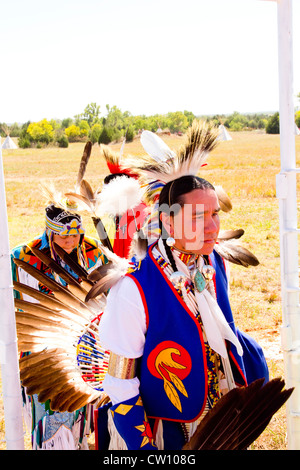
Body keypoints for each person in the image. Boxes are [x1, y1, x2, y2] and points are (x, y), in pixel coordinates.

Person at [96, 121, 269, 450]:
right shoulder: (133, 288)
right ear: (166, 219)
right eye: (197, 217)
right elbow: (121, 383)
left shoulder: (213, 262)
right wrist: (144, 449)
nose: (212, 227)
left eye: (215, 214)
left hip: (219, 425)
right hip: (162, 433)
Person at [11, 201, 108, 450]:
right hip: (42, 348)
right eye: (64, 236)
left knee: (79, 408)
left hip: (86, 348)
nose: (70, 241)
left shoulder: (92, 253)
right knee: (50, 413)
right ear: (50, 232)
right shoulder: (23, 257)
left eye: (75, 235)